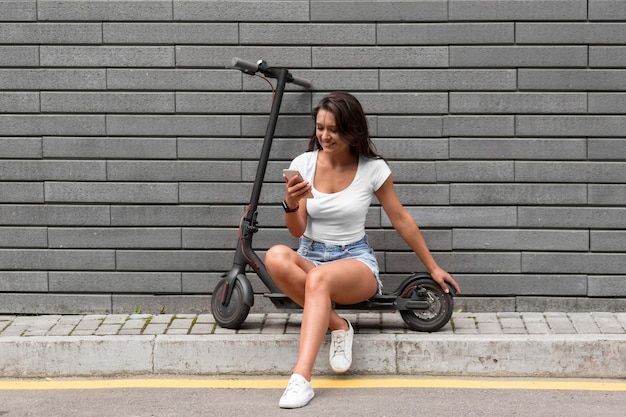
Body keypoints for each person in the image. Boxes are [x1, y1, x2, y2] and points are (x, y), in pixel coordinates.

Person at [264, 91, 461, 409]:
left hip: (353, 260)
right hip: (311, 253)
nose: (324, 136)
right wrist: (290, 203)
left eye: (333, 129)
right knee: (274, 256)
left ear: (351, 130)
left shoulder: (372, 168)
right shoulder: (304, 163)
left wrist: (433, 266)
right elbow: (298, 230)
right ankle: (338, 325)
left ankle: (301, 379)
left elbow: (401, 218)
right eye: (320, 128)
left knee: (318, 281)